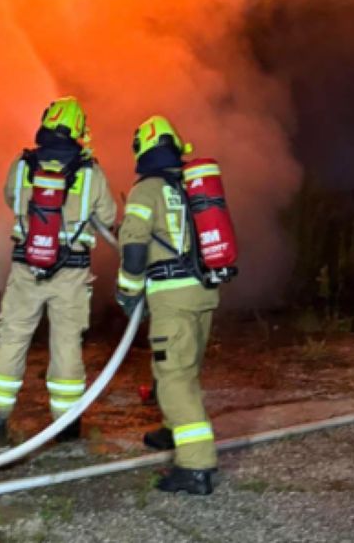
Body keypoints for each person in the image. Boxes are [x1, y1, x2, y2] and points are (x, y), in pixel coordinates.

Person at [0, 97, 118, 443]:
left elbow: (11, 199)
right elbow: (110, 218)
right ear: (78, 129)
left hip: (26, 269)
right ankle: (66, 424)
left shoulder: (22, 166)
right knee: (67, 344)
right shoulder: (90, 172)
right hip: (71, 273)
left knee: (12, 337)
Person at [116, 115, 220, 495]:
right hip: (203, 291)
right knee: (183, 365)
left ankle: (196, 467)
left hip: (171, 295)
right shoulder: (192, 188)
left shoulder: (147, 191)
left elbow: (134, 247)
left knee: (174, 376)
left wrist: (127, 291)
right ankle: (172, 429)